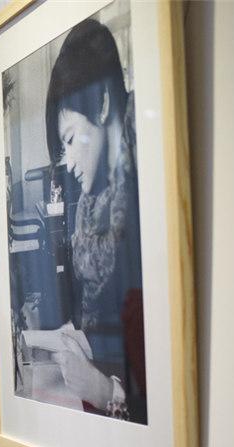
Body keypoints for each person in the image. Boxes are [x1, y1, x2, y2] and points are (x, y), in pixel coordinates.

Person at [44, 18, 146, 422]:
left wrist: (104, 392)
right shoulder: (91, 215)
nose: (68, 162)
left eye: (70, 139)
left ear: (102, 104)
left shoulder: (144, 195)